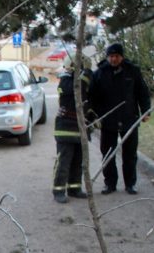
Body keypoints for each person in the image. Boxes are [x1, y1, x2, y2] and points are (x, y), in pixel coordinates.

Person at [91, 43, 151, 195]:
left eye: (116, 56)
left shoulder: (132, 71)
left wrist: (145, 112)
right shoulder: (100, 73)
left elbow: (143, 93)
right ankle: (110, 183)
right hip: (108, 120)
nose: (113, 59)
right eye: (111, 56)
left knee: (130, 154)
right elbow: (93, 97)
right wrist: (95, 116)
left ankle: (130, 184)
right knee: (107, 153)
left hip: (129, 118)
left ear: (122, 57)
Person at [52, 55, 94, 203]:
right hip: (65, 128)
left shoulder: (80, 80)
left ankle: (74, 188)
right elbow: (79, 89)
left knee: (78, 161)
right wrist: (87, 72)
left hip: (80, 128)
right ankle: (58, 190)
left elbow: (88, 100)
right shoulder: (66, 81)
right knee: (64, 161)